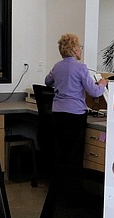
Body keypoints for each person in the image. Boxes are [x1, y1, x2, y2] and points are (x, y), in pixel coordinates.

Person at [44, 32, 108, 171]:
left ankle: (59, 189)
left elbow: (47, 82)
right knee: (74, 156)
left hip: (58, 115)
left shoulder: (57, 66)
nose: (80, 50)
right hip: (75, 116)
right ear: (74, 50)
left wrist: (62, 84)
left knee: (61, 154)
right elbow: (95, 92)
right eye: (79, 47)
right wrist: (102, 83)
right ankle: (72, 190)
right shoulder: (81, 68)